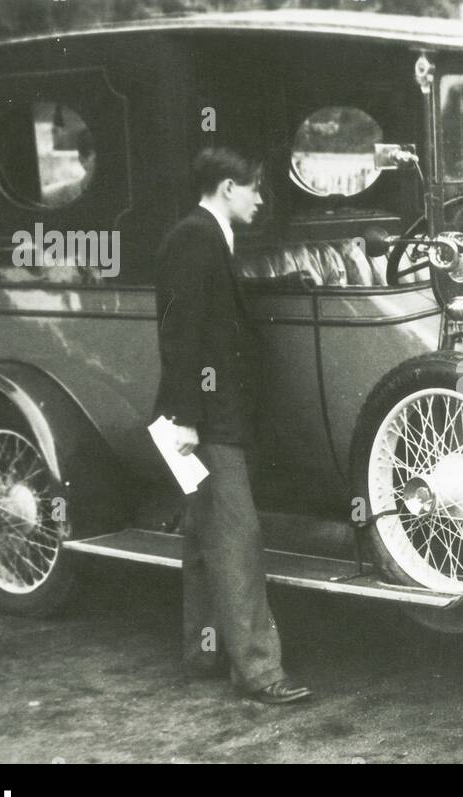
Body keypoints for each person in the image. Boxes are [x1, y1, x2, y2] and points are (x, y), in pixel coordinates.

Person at [153, 147, 311, 705]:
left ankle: (204, 652)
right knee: (238, 540)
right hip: (204, 422)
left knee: (203, 539)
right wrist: (188, 418)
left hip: (202, 418)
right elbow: (181, 333)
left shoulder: (202, 236)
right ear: (226, 188)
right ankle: (261, 672)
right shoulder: (196, 239)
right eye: (254, 188)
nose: (261, 198)